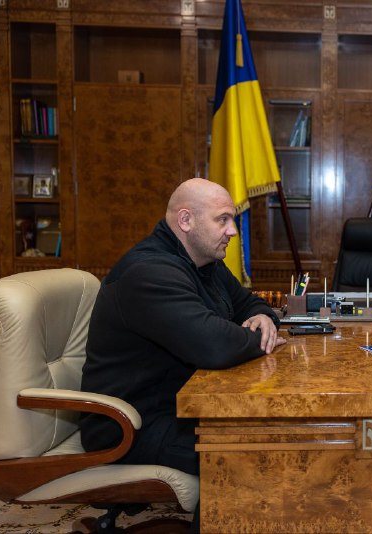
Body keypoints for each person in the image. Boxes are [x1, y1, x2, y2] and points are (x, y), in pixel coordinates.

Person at [80, 178, 285, 479]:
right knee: (257, 452)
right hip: (133, 428)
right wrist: (260, 337)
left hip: (182, 407)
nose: (232, 231)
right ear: (186, 220)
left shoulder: (205, 261)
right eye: (222, 220)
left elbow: (249, 303)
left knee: (275, 433)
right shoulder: (148, 272)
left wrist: (264, 317)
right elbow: (213, 345)